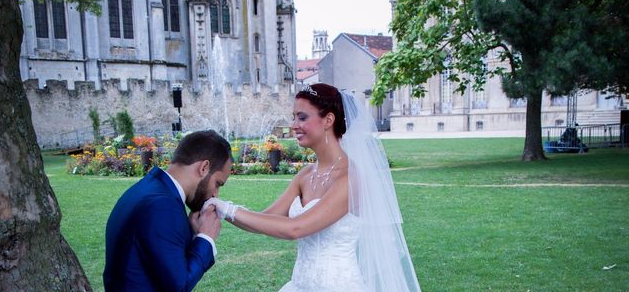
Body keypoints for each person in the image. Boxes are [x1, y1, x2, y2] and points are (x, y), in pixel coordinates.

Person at [206, 83, 421, 291]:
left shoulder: (350, 178)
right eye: (294, 117)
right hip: (299, 285)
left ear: (328, 120)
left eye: (302, 117)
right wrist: (217, 210)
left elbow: (295, 228)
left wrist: (228, 209)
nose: (293, 125)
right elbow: (266, 218)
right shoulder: (306, 175)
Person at [104, 129, 233, 292]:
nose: (215, 194)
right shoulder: (162, 205)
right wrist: (206, 238)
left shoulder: (149, 188)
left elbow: (159, 263)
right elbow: (178, 287)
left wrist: (193, 235)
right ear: (204, 167)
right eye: (218, 183)